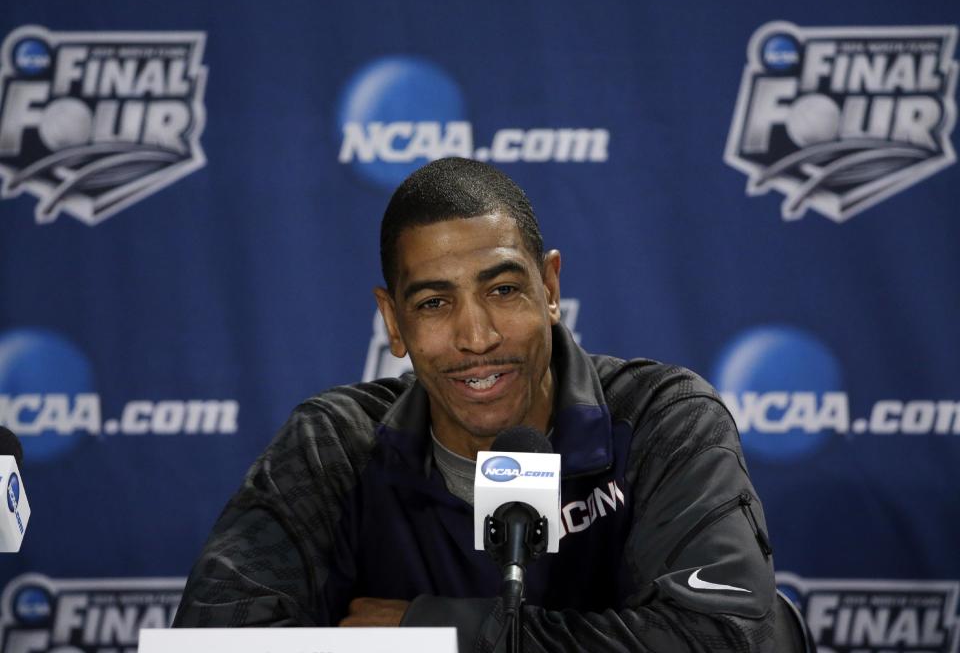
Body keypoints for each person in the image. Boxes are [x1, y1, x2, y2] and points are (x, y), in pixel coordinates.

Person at [173, 157, 779, 651]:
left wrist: (430, 632)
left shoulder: (658, 420)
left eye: (504, 289)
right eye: (435, 303)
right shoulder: (337, 444)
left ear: (551, 288)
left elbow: (728, 638)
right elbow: (214, 639)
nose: (477, 336)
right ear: (393, 321)